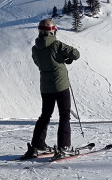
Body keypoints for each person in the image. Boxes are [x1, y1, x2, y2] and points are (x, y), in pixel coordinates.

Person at [26, 18, 81, 158]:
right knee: (64, 116)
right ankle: (64, 147)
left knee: (45, 115)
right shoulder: (57, 45)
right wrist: (65, 58)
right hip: (61, 85)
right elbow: (76, 54)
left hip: (45, 87)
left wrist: (57, 59)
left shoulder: (35, 48)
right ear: (52, 31)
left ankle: (37, 145)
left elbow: (40, 64)